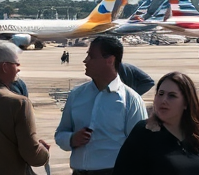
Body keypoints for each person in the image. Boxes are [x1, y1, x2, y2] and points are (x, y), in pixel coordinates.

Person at [55, 35, 148, 173]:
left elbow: (141, 146)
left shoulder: (131, 100)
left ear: (109, 60)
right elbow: (60, 133)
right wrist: (72, 139)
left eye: (91, 56)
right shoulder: (76, 95)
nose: (85, 61)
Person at [114, 71, 199, 174]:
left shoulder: (196, 136)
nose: (163, 100)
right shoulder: (144, 133)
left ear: (186, 103)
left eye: (172, 96)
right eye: (160, 94)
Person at [0, 42, 51, 175]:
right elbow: (33, 155)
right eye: (16, 64)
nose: (19, 69)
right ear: (5, 67)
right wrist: (44, 152)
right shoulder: (18, 103)